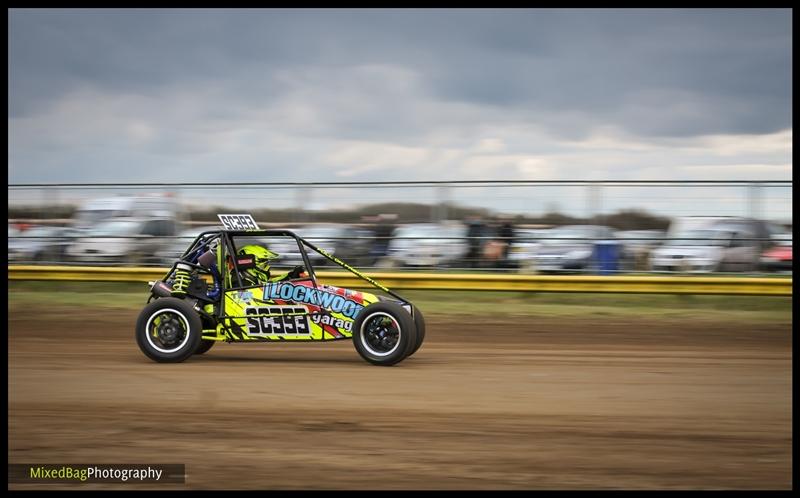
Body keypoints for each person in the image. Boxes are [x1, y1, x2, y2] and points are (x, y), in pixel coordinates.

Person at [230, 244, 305, 287]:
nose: (267, 268)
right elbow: (266, 290)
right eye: (264, 265)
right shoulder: (241, 282)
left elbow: (268, 285)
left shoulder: (251, 279)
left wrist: (290, 276)